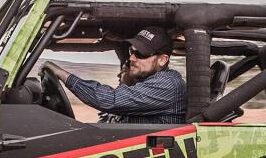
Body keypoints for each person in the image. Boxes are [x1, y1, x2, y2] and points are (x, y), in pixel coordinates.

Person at [45, 26, 186, 124]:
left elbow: (110, 100)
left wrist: (63, 74)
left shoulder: (168, 84)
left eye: (140, 54)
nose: (132, 58)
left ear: (162, 60)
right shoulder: (146, 82)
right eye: (132, 51)